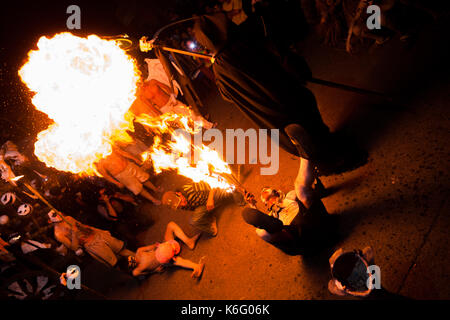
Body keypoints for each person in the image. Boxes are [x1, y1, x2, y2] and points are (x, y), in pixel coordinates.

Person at [193, 13, 335, 208]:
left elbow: (228, 95)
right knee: (306, 122)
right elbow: (274, 52)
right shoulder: (244, 41)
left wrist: (217, 64)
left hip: (270, 111)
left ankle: (311, 177)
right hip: (287, 93)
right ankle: (317, 166)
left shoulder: (220, 67)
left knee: (299, 136)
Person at [242, 185, 331, 254]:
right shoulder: (271, 218)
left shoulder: (290, 196)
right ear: (265, 204)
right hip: (298, 238)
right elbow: (260, 219)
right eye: (262, 194)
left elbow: (308, 194)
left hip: (313, 222)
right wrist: (252, 206)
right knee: (260, 231)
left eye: (265, 190)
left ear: (276, 192)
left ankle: (326, 225)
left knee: (300, 188)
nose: (262, 191)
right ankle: (306, 246)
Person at [48, 210, 134, 267]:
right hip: (92, 245)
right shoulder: (58, 234)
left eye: (58, 212)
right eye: (55, 216)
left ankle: (139, 261)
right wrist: (74, 234)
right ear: (50, 221)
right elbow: (74, 248)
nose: (59, 215)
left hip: (98, 235)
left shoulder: (68, 218)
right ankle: (136, 273)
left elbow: (85, 227)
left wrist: (101, 231)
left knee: (122, 250)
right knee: (115, 263)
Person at [161, 180, 242, 236]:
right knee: (193, 221)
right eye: (179, 206)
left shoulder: (191, 188)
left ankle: (240, 197)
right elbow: (195, 209)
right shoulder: (181, 205)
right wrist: (205, 212)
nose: (182, 204)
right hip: (205, 204)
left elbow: (211, 182)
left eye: (180, 201)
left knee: (229, 186)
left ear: (178, 194)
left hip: (214, 193)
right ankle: (211, 220)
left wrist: (210, 198)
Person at [128, 221, 205, 279]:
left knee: (170, 225)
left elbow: (152, 247)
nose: (134, 261)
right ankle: (195, 266)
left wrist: (159, 245)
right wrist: (155, 271)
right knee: (178, 261)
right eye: (131, 264)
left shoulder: (139, 251)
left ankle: (189, 242)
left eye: (131, 259)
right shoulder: (136, 271)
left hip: (162, 249)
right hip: (163, 261)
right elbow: (146, 274)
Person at [95, 147, 162, 205]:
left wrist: (134, 159)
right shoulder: (99, 163)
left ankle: (155, 189)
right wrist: (116, 183)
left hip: (129, 165)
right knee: (138, 188)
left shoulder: (108, 148)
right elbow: (106, 176)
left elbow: (123, 153)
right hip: (121, 175)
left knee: (143, 178)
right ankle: (153, 200)